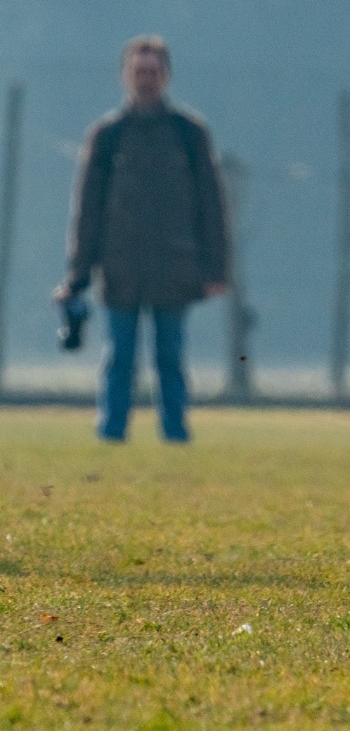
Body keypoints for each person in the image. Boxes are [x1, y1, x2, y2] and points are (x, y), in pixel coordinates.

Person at [56, 36, 230, 443]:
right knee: (119, 357)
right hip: (121, 267)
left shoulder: (188, 134)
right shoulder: (108, 136)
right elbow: (88, 211)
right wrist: (77, 276)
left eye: (153, 72)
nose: (146, 80)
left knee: (170, 357)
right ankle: (111, 431)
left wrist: (216, 268)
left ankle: (175, 432)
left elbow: (211, 206)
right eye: (139, 72)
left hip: (175, 266)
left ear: (166, 76)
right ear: (125, 76)